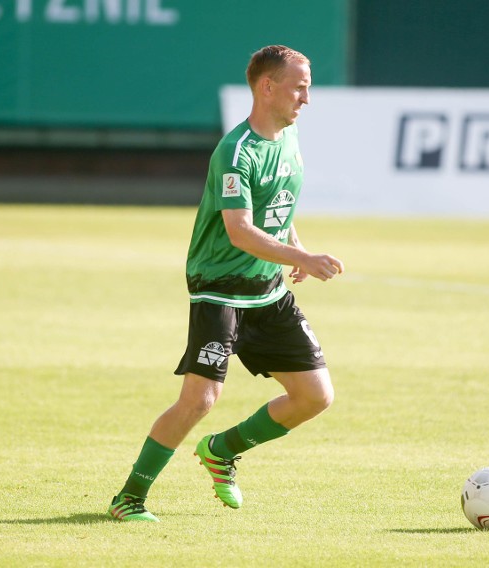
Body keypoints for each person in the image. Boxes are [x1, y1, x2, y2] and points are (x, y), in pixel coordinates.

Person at [108, 45, 344, 522]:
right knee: (200, 399)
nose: (306, 99)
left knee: (315, 396)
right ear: (267, 86)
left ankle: (223, 451)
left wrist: (293, 244)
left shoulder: (289, 137)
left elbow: (276, 204)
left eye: (309, 88)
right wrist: (302, 256)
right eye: (299, 87)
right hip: (219, 287)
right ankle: (128, 498)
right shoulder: (235, 151)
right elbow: (239, 229)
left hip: (267, 290)